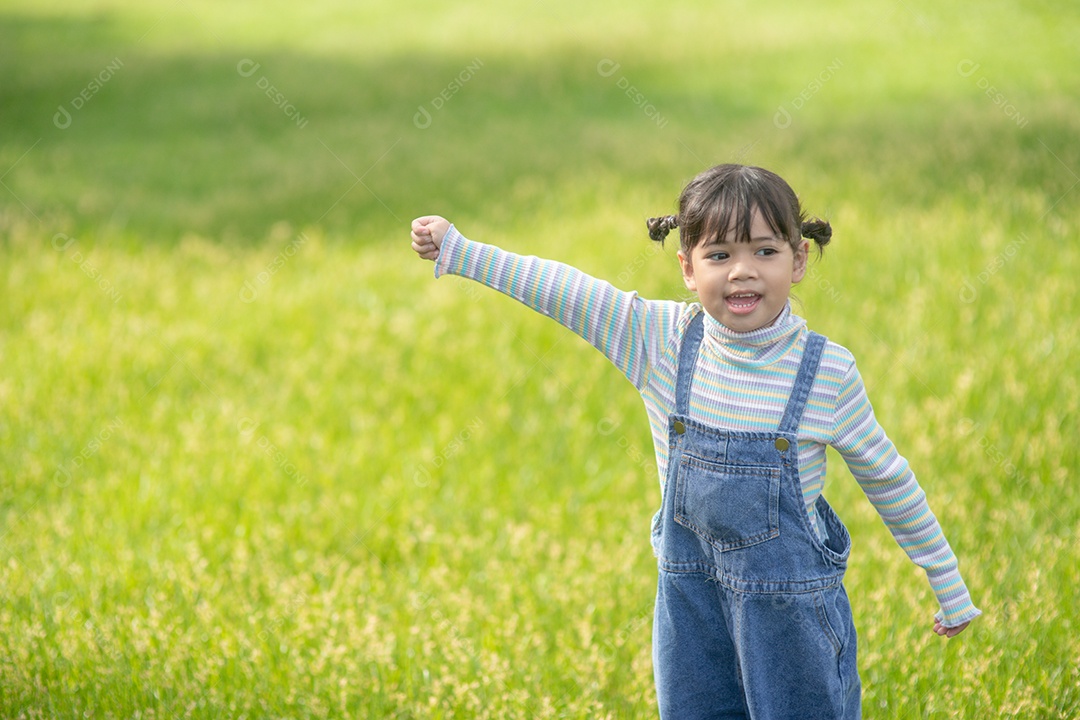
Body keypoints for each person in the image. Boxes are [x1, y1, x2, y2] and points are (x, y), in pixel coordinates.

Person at [409, 163, 979, 719]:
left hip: (790, 619)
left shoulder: (825, 371)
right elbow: (569, 292)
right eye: (719, 255)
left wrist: (945, 579)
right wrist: (465, 252)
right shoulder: (660, 340)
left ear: (799, 259)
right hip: (692, 614)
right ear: (687, 266)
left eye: (764, 251)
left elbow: (887, 476)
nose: (742, 271)